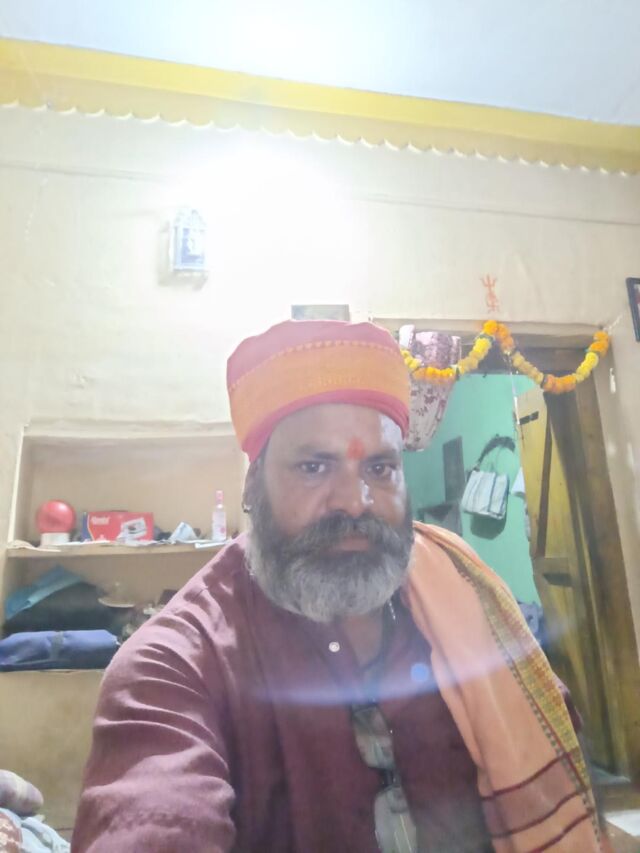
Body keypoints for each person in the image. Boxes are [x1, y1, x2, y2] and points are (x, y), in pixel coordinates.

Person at [73, 320, 605, 852]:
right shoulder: (176, 664)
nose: (355, 501)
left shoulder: (467, 597)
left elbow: (555, 742)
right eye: (314, 466)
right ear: (253, 489)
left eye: (380, 468)